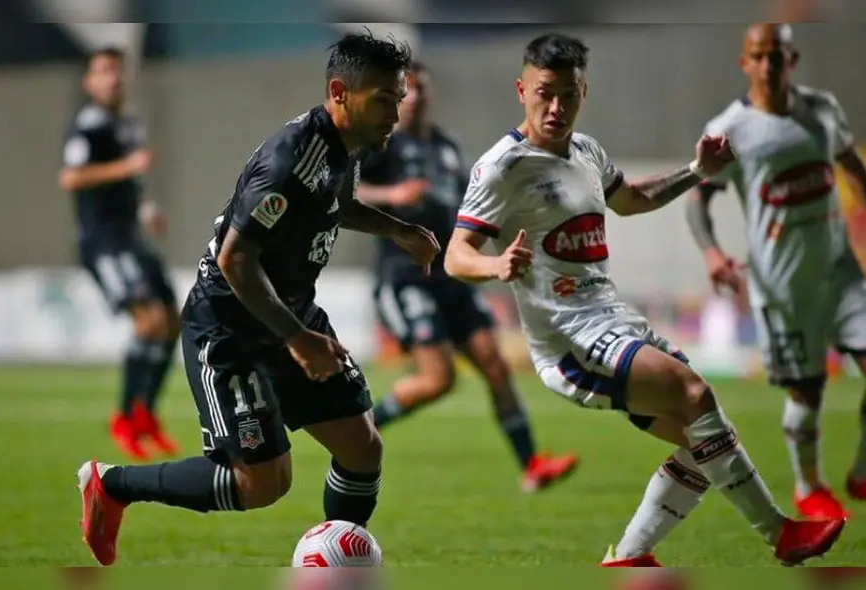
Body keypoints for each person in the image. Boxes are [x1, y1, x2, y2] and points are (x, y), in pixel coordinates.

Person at [444, 32, 846, 567]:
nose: (557, 107)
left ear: (585, 91)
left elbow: (631, 200)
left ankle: (630, 556)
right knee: (696, 395)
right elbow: (455, 255)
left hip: (614, 321)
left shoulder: (586, 150)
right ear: (522, 89)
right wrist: (495, 264)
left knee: (706, 445)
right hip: (569, 342)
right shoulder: (503, 168)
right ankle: (779, 534)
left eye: (570, 93)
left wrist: (698, 172)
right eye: (545, 92)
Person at [75, 32, 440, 567]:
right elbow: (234, 260)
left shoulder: (345, 146)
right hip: (231, 327)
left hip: (290, 313)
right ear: (340, 92)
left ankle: (336, 571)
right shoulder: (291, 157)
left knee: (363, 448)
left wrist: (400, 230)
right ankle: (111, 484)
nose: (395, 112)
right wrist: (298, 340)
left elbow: (335, 204)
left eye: (399, 98)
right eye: (384, 99)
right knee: (263, 483)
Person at [356, 61, 578, 491]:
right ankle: (359, 429)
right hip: (405, 276)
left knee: (495, 365)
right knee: (439, 379)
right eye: (409, 90)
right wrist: (393, 195)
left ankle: (533, 466)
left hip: (450, 272)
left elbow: (471, 204)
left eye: (423, 89)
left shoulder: (446, 145)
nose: (416, 97)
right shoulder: (379, 145)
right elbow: (348, 192)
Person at [685, 23, 866, 520]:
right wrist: (712, 253)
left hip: (841, 271)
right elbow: (697, 200)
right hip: (782, 286)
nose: (769, 65)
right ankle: (810, 488)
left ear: (794, 59)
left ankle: (863, 471)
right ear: (745, 63)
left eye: (778, 56)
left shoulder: (822, 110)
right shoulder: (731, 130)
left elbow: (851, 164)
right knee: (807, 390)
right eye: (759, 56)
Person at [59, 47, 180, 461]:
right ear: (89, 82)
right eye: (102, 72)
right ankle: (125, 415)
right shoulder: (87, 126)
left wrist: (146, 209)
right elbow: (72, 176)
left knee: (172, 319)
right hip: (104, 241)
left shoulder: (127, 124)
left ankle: (145, 412)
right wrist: (124, 168)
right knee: (149, 321)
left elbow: (133, 183)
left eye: (116, 71)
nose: (111, 79)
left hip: (131, 236)